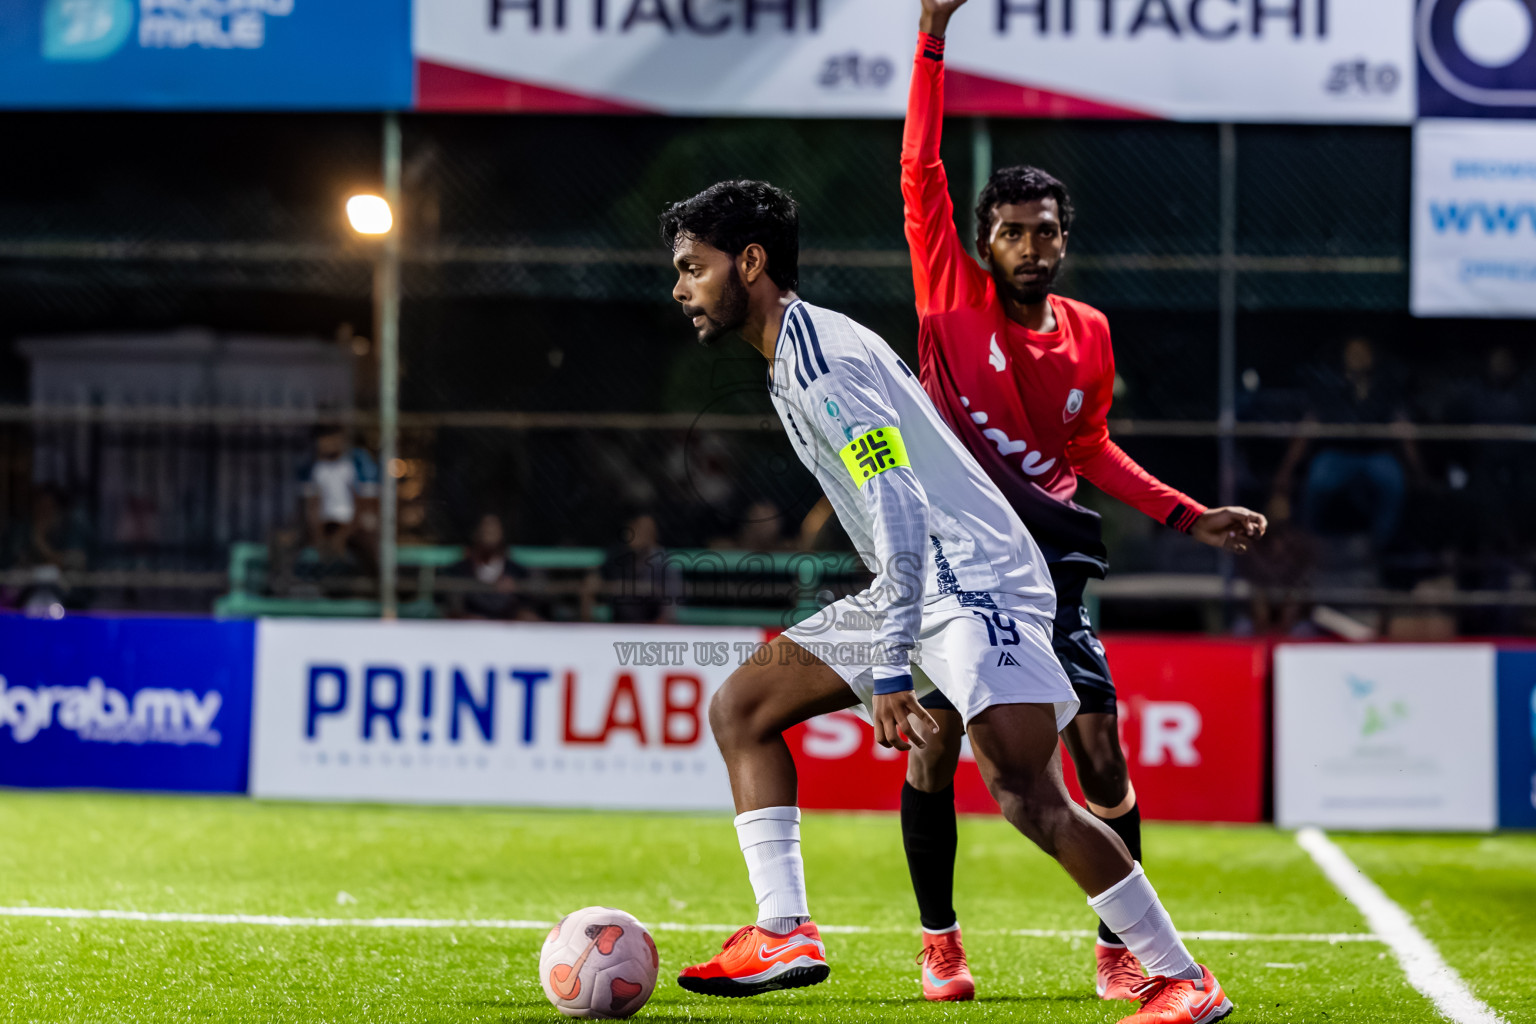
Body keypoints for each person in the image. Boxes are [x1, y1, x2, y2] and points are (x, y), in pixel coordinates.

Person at [662, 179, 1235, 1024]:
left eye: (691, 267)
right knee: (743, 705)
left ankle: (1180, 977)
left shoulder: (815, 355)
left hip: (975, 580)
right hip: (922, 579)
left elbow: (896, 497)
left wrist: (889, 659)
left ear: (749, 262)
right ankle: (783, 930)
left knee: (1027, 794)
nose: (680, 287)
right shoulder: (794, 351)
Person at [899, 0, 1266, 1005]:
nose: (1029, 244)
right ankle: (941, 940)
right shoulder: (947, 293)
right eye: (1011, 232)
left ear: (1064, 241)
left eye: (1045, 232)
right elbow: (919, 170)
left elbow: (1088, 447)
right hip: (955, 562)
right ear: (982, 241)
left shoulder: (1090, 334)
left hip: (1053, 564)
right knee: (935, 749)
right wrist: (933, 33)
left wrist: (1191, 515)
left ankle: (1120, 944)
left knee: (1101, 752)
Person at [443, 513, 538, 621]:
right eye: (485, 530)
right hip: (471, 627)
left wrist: (516, 590)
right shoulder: (461, 569)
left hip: (508, 627)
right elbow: (452, 605)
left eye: (494, 530)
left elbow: (529, 604)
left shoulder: (516, 571)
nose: (489, 533)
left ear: (502, 534)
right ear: (476, 534)